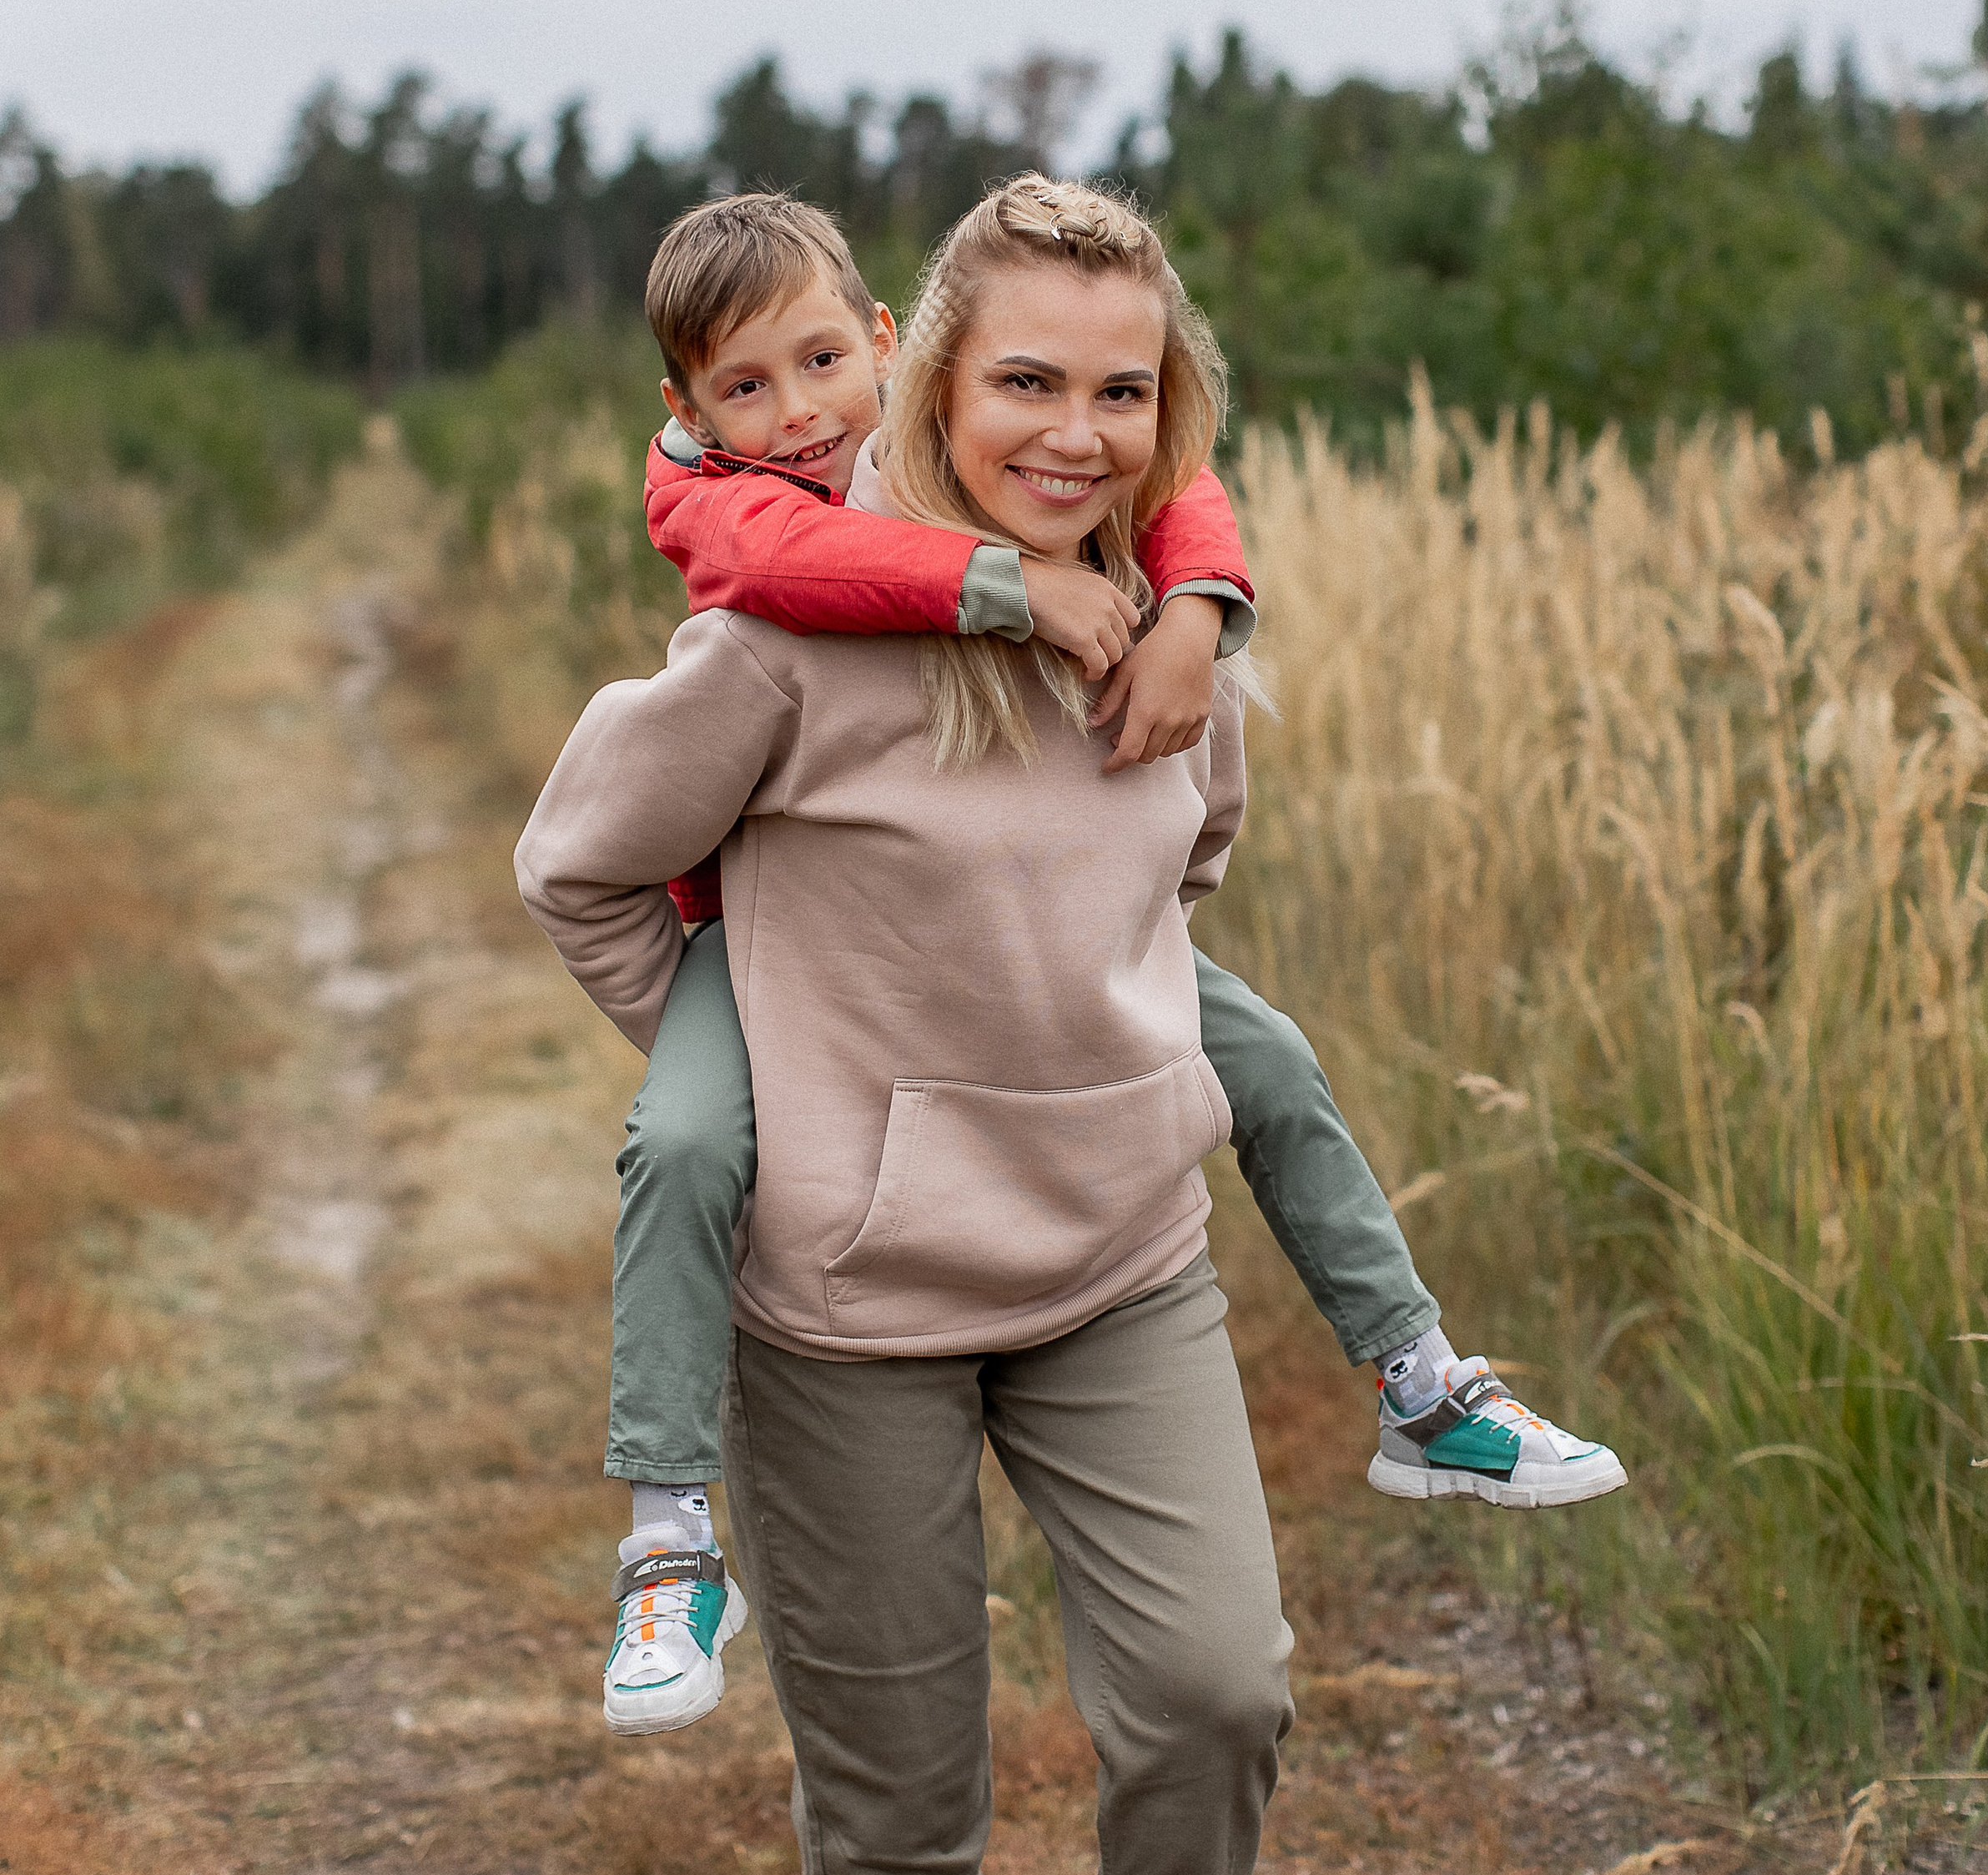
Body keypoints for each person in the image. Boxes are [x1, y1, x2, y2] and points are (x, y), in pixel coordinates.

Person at [520, 178, 1340, 1875]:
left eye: (1119, 388)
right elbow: (580, 864)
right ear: (934, 381)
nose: (1072, 430)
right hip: (846, 1295)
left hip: (1119, 1261)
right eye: (1028, 384)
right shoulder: (784, 643)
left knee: (1217, 1690)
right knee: (902, 1784)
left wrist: (1195, 630)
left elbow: (1192, 870)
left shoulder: (1181, 638)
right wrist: (776, 1084)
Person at [586, 192, 1625, 1736]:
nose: (795, 417)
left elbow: (1180, 513)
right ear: (691, 411)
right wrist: (784, 1037)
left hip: (1094, 1119)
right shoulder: (740, 527)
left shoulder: (1133, 560)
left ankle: (1421, 1381)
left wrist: (1201, 606)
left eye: (820, 364)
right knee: (680, 1140)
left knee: (1267, 1058)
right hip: (768, 964)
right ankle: (666, 1536)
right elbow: (616, 822)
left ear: (886, 347)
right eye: (745, 388)